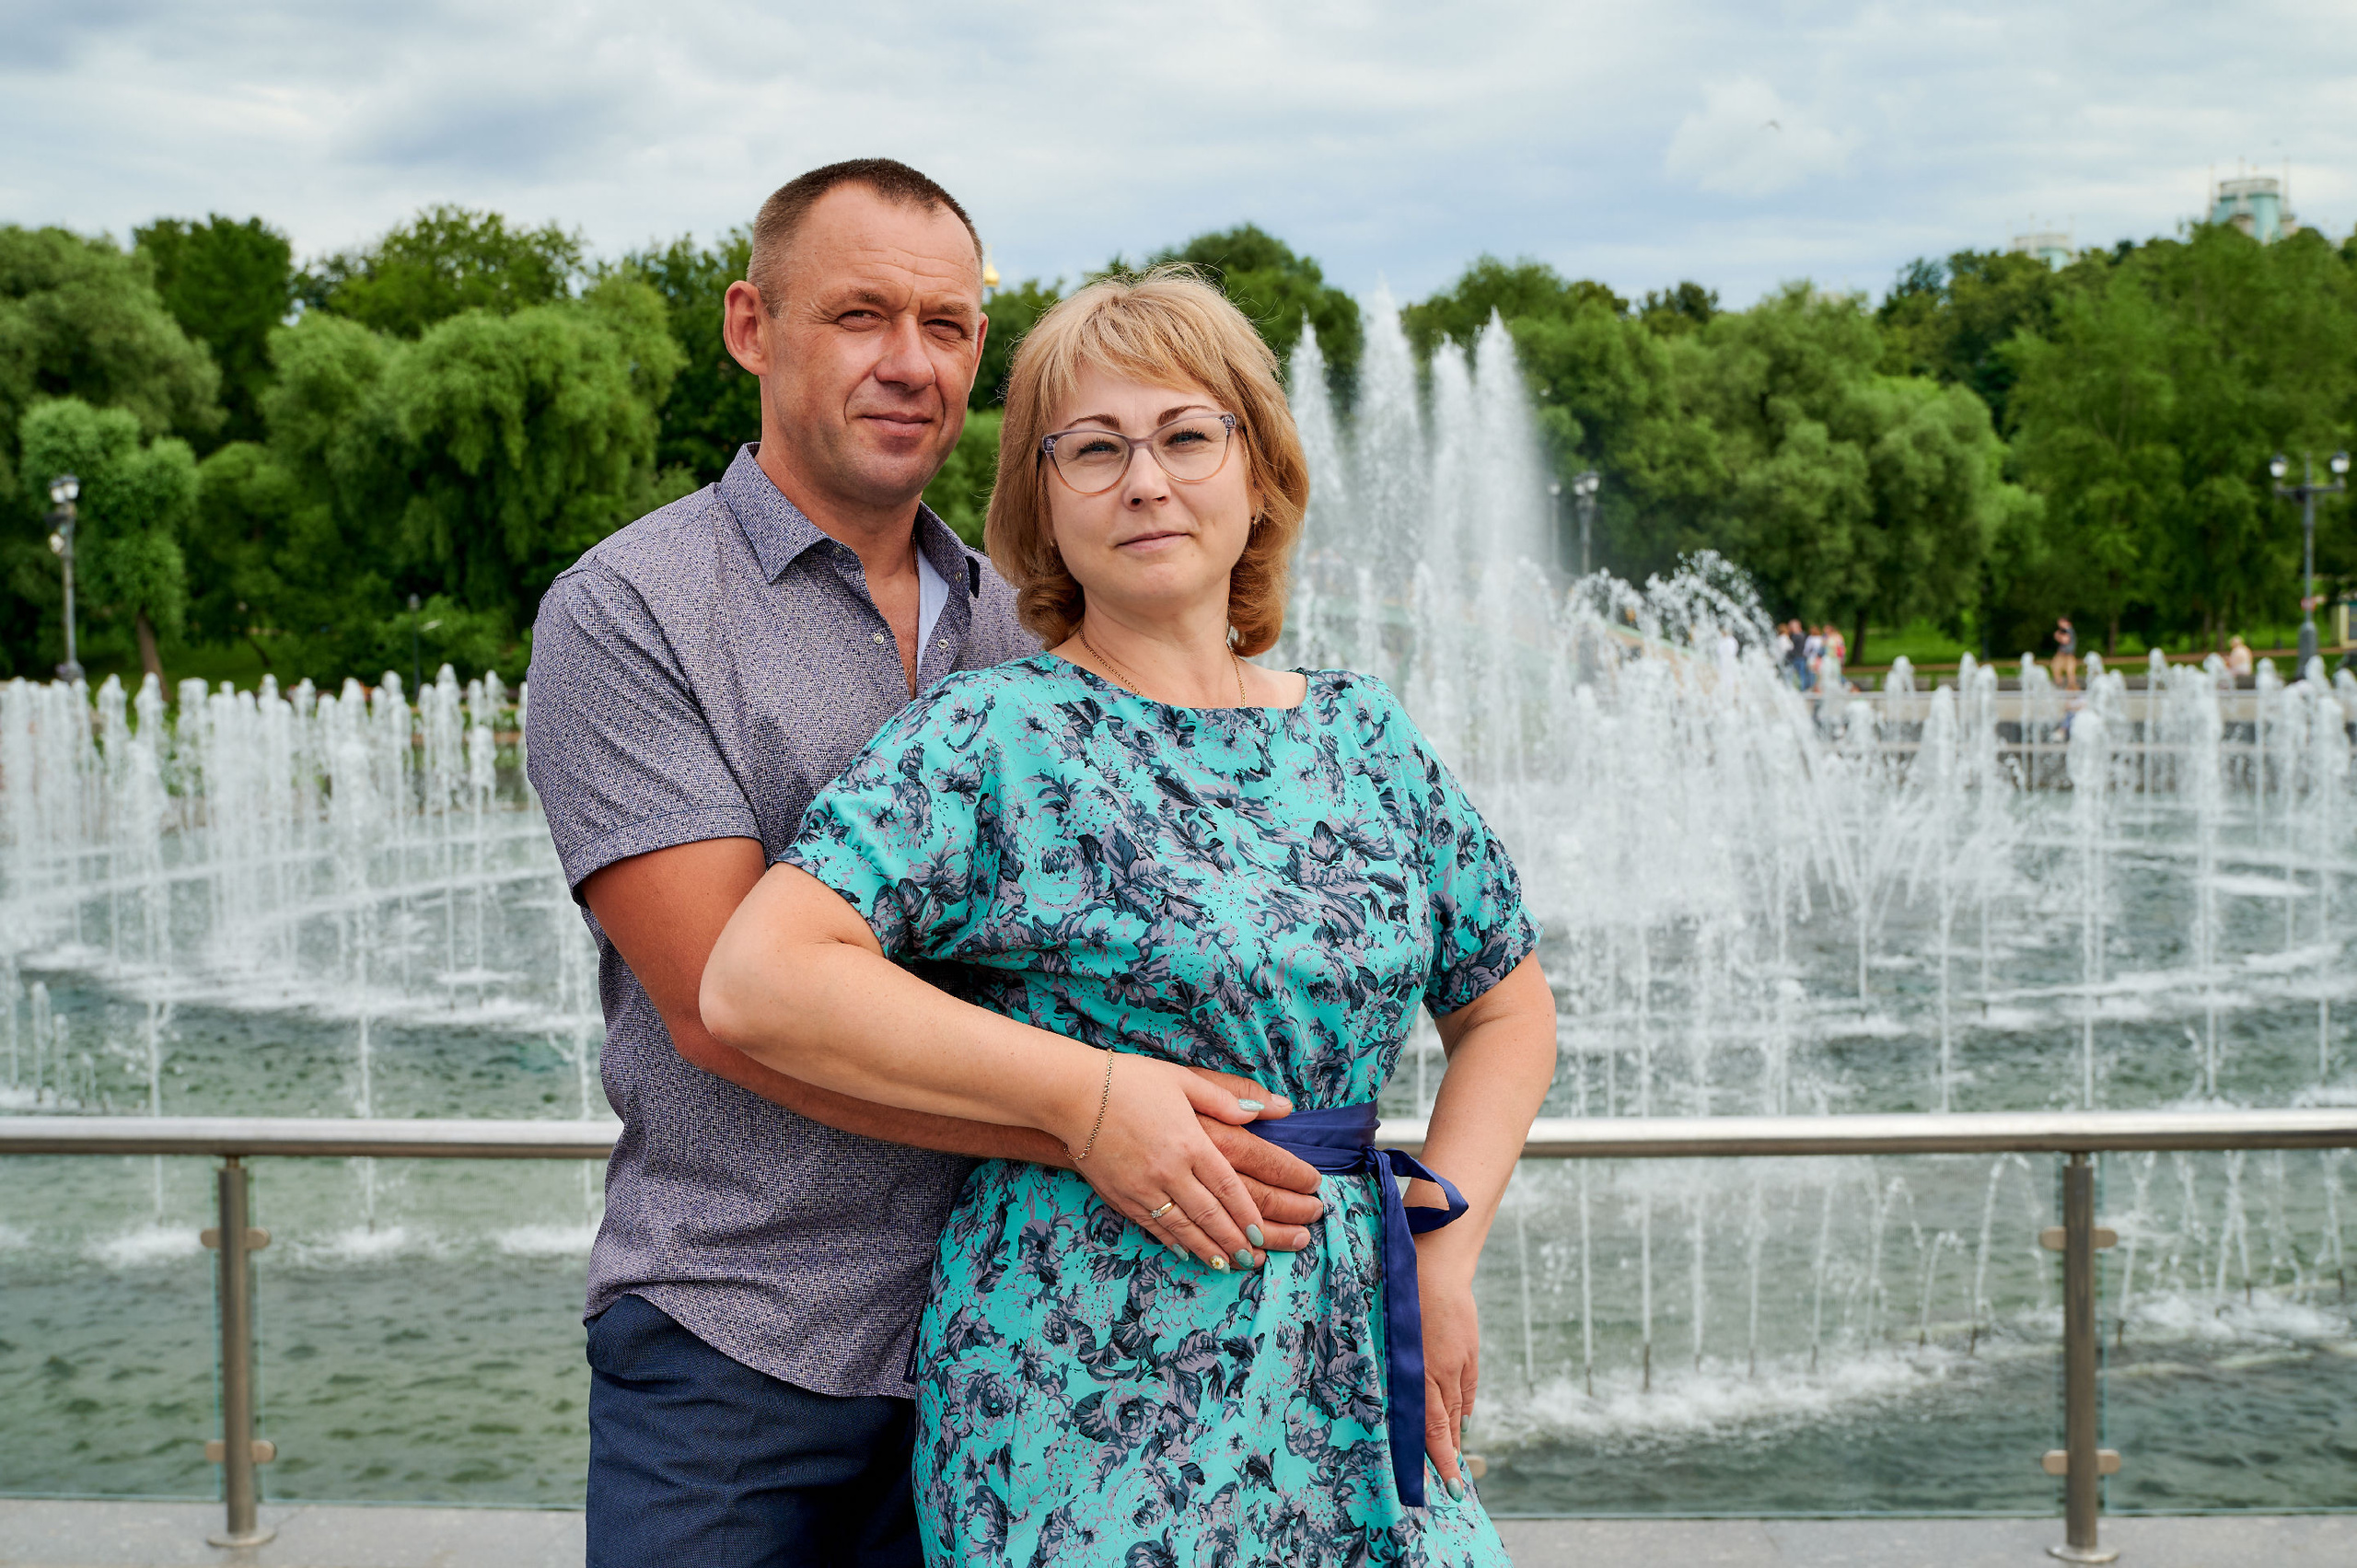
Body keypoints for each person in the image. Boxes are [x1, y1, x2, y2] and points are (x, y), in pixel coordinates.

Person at [525, 164, 1321, 1567]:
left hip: (1038, 1331)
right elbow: (725, 1003)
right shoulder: (628, 613)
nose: (911, 364)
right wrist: (1099, 1118)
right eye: (860, 315)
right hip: (746, 1338)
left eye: (950, 327)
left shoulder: (1047, 623)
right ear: (750, 327)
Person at [701, 269, 1560, 1565]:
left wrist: (1444, 1245)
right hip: (1088, 1365)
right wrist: (1093, 1095)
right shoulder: (995, 737)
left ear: (1259, 472)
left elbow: (1505, 1003)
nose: (1144, 480)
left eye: (1185, 435)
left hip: (1349, 1340)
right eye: (1093, 449)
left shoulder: (1366, 736)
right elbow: (759, 977)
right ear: (1042, 505)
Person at [2053, 616, 2079, 690]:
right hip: (2066, 654)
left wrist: (2057, 636)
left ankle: (2066, 688)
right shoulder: (2068, 631)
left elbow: (2065, 640)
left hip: (2066, 655)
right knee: (2068, 673)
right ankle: (2067, 688)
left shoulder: (2068, 631)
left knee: (2066, 672)